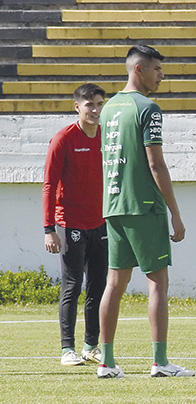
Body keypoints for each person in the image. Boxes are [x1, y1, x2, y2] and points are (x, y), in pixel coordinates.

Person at [96, 45, 192, 378]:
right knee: (157, 284)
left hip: (113, 205)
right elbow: (155, 162)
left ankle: (106, 363)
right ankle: (160, 362)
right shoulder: (147, 108)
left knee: (114, 284)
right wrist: (175, 213)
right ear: (138, 70)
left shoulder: (107, 109)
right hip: (144, 206)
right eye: (156, 69)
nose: (161, 76)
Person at [42, 83, 107, 367]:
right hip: (71, 224)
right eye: (89, 105)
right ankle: (67, 349)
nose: (95, 110)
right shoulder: (63, 139)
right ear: (77, 107)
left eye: (99, 104)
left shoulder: (107, 137)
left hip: (101, 223)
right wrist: (49, 229)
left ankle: (91, 346)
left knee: (99, 286)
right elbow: (49, 185)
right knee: (72, 285)